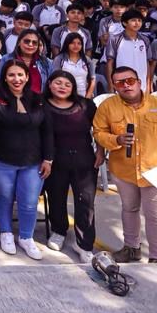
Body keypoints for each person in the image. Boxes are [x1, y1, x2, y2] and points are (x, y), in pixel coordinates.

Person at [92, 65, 157, 263]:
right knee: (129, 209)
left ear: (139, 82)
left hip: (155, 171)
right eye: (120, 83)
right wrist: (116, 140)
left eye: (130, 81)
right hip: (123, 171)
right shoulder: (108, 107)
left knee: (154, 215)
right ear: (115, 86)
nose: (126, 86)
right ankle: (131, 248)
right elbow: (99, 133)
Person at [0, 59, 53, 259]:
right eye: (12, 75)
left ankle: (26, 237)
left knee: (30, 201)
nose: (16, 79)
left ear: (26, 77)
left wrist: (48, 159)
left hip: (33, 161)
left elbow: (47, 131)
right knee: (4, 197)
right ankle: (5, 233)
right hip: (1, 159)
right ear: (4, 77)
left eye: (20, 75)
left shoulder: (39, 99)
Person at [42, 70, 100, 264]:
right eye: (58, 83)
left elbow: (100, 129)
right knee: (56, 198)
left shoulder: (85, 105)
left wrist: (101, 152)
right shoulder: (42, 106)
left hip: (84, 160)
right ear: (49, 84)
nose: (62, 87)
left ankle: (84, 244)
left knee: (85, 202)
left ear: (73, 87)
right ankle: (59, 231)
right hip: (55, 161)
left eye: (67, 84)